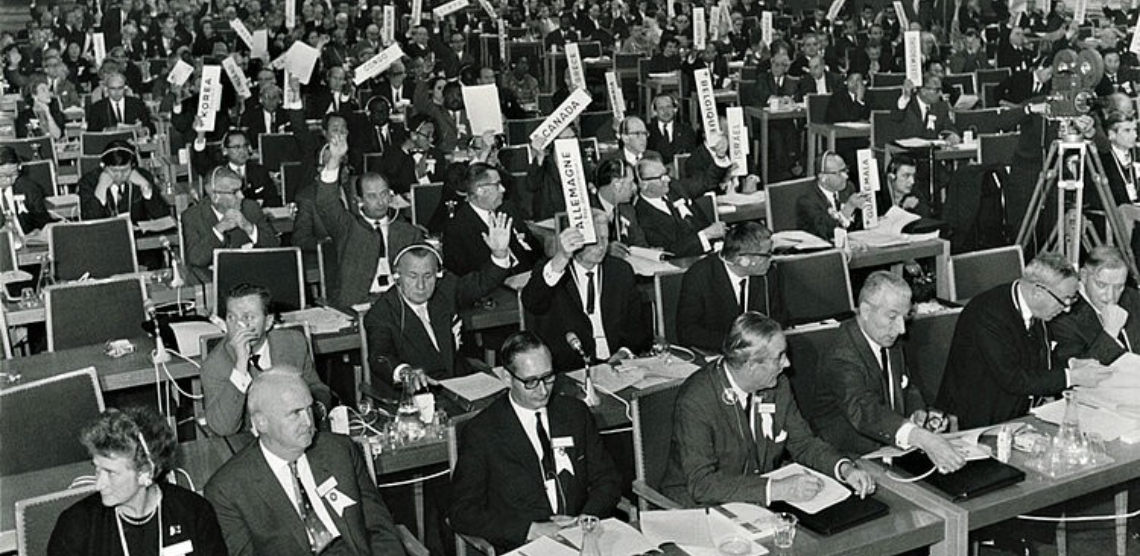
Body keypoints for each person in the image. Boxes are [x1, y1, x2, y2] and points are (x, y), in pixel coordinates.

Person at [660, 312, 876, 506]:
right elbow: (702, 484)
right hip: (698, 508)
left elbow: (803, 443)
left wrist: (844, 468)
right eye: (779, 357)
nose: (787, 364)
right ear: (752, 365)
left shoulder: (777, 385)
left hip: (756, 501)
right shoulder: (696, 400)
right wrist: (776, 489)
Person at [449, 331, 623, 553]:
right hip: (524, 545)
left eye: (548, 377)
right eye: (531, 382)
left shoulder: (575, 413)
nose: (542, 391)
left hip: (581, 537)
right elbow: (462, 512)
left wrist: (586, 519)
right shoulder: (483, 432)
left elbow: (607, 479)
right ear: (507, 378)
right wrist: (530, 530)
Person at [205, 371, 407, 556]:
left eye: (309, 409)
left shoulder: (339, 451)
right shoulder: (228, 490)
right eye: (295, 413)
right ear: (261, 422)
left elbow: (380, 530)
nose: (309, 422)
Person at [937, 253, 1115, 429]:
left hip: (1018, 412)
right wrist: (1072, 376)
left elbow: (1036, 359)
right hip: (982, 419)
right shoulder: (987, 314)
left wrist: (1071, 364)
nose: (1067, 308)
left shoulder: (1038, 309)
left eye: (1072, 298)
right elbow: (1013, 379)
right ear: (1038, 292)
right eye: (1064, 299)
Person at [812, 272, 967, 472]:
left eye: (905, 317)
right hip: (850, 459)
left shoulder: (886, 337)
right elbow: (865, 411)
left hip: (891, 449)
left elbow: (905, 385)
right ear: (866, 311)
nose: (902, 329)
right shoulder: (841, 355)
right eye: (892, 317)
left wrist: (917, 414)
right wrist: (921, 437)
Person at [47, 406, 227, 556]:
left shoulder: (194, 513)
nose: (98, 484)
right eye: (97, 468)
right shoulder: (76, 526)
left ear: (145, 474)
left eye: (110, 473)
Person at [362, 236, 511, 395]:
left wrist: (500, 254)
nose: (421, 285)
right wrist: (406, 373)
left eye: (428, 276)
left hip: (459, 385)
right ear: (397, 276)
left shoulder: (447, 288)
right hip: (415, 394)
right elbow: (380, 356)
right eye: (412, 276)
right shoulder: (381, 314)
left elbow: (481, 282)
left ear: (438, 275)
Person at [522, 210, 653, 371]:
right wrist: (562, 257)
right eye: (595, 240)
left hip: (617, 364)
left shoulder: (620, 270)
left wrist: (624, 352)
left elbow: (636, 326)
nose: (602, 246)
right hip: (571, 368)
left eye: (605, 238)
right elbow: (532, 302)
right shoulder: (554, 270)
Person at [201, 283, 332, 438]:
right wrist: (240, 368)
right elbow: (222, 428)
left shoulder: (293, 343)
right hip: (250, 442)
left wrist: (314, 412)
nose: (238, 326)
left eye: (248, 317)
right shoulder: (214, 365)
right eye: (231, 318)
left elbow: (316, 389)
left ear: (268, 322)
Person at [315, 135, 424, 308]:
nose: (381, 202)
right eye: (372, 196)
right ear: (359, 200)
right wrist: (334, 160)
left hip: (400, 303)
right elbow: (325, 203)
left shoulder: (408, 232)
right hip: (359, 304)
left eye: (384, 194)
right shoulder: (348, 227)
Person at [676, 221, 785, 352]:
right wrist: (737, 344)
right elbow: (687, 332)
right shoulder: (699, 275)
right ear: (743, 260)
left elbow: (777, 317)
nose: (771, 259)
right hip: (715, 351)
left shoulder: (768, 274)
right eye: (767, 254)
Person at [181, 166, 280, 283]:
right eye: (234, 192)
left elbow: (275, 247)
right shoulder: (193, 216)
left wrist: (249, 228)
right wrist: (218, 230)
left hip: (251, 279)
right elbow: (195, 259)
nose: (241, 196)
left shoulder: (251, 208)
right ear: (215, 197)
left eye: (241, 190)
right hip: (213, 282)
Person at [442, 163, 539, 276]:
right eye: (497, 185)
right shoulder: (457, 229)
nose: (503, 189)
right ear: (480, 190)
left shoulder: (508, 209)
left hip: (527, 274)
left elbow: (535, 248)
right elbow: (465, 276)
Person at [1051, 247, 1140, 365]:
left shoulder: (1132, 298)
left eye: (1118, 287)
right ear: (1084, 276)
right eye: (1101, 285)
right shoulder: (1063, 316)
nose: (1110, 296)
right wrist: (1110, 333)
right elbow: (1080, 371)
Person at [634, 154, 724, 257]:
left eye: (666, 173)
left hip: (716, 247)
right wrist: (706, 235)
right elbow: (669, 252)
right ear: (644, 184)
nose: (667, 179)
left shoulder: (674, 187)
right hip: (689, 260)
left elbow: (705, 182)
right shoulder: (642, 215)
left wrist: (720, 158)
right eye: (661, 177)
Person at [77, 140, 169, 221]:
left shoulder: (143, 177)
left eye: (125, 170)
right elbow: (89, 221)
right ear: (103, 166)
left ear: (132, 166)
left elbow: (164, 217)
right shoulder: (88, 182)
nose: (120, 176)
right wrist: (101, 188)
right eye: (114, 171)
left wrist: (145, 187)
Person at [192, 129, 283, 208]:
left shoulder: (260, 171)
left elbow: (273, 200)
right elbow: (200, 162)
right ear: (225, 151)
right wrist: (200, 135)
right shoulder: (218, 172)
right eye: (237, 147)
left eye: (245, 146)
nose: (242, 151)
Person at [796, 151, 871, 241]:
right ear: (823, 177)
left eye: (845, 170)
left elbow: (857, 224)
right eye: (839, 173)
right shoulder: (806, 200)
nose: (846, 176)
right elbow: (826, 233)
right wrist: (848, 208)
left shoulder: (848, 188)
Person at [891, 74, 961, 142]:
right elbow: (896, 116)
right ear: (923, 91)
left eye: (941, 90)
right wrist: (906, 97)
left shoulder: (941, 106)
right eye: (937, 90)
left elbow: (948, 127)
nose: (940, 94)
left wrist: (952, 135)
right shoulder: (907, 103)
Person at [0, 146, 52, 233]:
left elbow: (43, 223)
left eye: (14, 174)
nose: (9, 180)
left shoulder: (29, 189)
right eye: (2, 176)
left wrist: (38, 233)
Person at [85, 70, 154, 134]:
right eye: (113, 88)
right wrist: (105, 130)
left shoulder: (137, 104)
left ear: (125, 88)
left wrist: (145, 131)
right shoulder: (97, 108)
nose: (116, 92)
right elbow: (91, 133)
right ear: (107, 89)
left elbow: (151, 127)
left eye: (120, 88)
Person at [646, 94, 697, 165]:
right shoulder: (647, 132)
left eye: (668, 107)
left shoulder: (687, 131)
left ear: (675, 109)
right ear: (655, 112)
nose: (666, 111)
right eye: (661, 108)